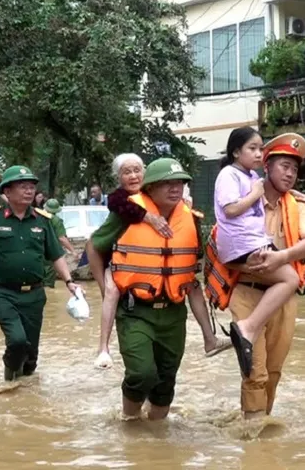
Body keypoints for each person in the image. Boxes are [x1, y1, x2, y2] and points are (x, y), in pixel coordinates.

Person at [86, 157, 215, 420]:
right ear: (149, 188)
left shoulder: (190, 218)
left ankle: (157, 437)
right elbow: (93, 246)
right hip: (135, 311)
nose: (174, 188)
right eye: (166, 183)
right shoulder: (127, 214)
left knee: (166, 380)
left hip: (173, 313)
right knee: (141, 374)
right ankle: (130, 424)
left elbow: (193, 273)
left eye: (179, 182)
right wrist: (104, 286)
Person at [204, 132, 305, 420]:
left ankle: (261, 426)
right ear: (265, 166)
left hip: (283, 297)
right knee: (255, 371)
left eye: (295, 169)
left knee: (274, 369)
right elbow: (225, 238)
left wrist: (281, 257)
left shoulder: (299, 204)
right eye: (284, 166)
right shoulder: (242, 196)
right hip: (247, 290)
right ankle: (253, 432)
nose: (291, 174)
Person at [0, 165, 82, 381]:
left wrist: (69, 282)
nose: (29, 191)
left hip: (35, 295)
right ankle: (9, 378)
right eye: (23, 187)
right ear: (7, 192)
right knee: (17, 341)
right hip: (3, 293)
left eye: (31, 187)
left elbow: (56, 255)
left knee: (31, 358)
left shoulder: (42, 220)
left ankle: (24, 394)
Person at [213, 126, 300, 378]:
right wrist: (254, 194)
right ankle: (248, 328)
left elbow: (270, 192)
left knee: (287, 278)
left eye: (261, 148)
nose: (259, 153)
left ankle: (249, 328)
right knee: (290, 278)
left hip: (251, 242)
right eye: (252, 148)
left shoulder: (250, 177)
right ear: (236, 152)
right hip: (241, 243)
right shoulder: (228, 175)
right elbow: (230, 210)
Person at [43, 198, 75, 288]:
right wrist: (73, 251)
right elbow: (61, 238)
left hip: (38, 252)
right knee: (48, 284)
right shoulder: (56, 220)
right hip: (50, 254)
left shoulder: (39, 217)